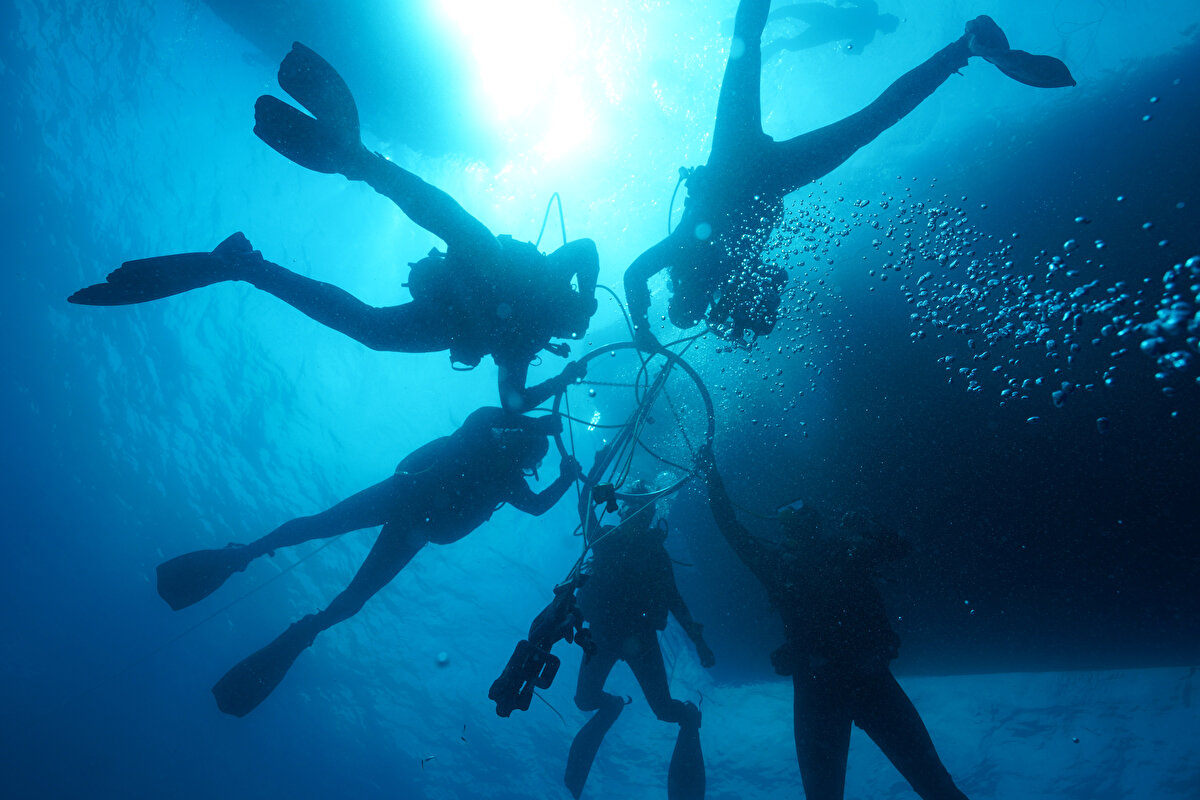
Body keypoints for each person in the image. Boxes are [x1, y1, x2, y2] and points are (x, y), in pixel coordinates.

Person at [68, 43, 599, 412]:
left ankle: (251, 267)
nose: (569, 321)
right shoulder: (553, 280)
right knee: (469, 239)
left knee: (375, 331)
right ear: (575, 308)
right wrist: (587, 294)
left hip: (456, 314)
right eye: (578, 313)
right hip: (479, 269)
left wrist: (563, 379)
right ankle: (360, 161)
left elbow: (514, 402)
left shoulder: (521, 349)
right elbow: (586, 247)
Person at [625, 1, 1075, 349]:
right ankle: (966, 47)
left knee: (843, 108)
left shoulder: (686, 252)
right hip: (760, 171)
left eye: (692, 302)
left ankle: (966, 47)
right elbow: (768, 282)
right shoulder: (720, 272)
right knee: (766, 61)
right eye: (696, 305)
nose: (698, 300)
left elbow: (632, 274)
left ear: (685, 290)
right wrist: (731, 319)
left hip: (738, 164)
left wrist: (642, 327)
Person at [155, 407, 581, 716]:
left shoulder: (502, 470)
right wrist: (553, 455)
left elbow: (538, 504)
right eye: (533, 457)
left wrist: (564, 474)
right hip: (408, 506)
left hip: (408, 513)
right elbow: (487, 421)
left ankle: (286, 602)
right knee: (322, 535)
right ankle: (260, 572)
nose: (528, 462)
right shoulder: (487, 437)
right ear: (523, 446)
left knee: (335, 559)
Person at [697, 445, 971, 799]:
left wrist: (711, 477)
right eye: (788, 515)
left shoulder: (810, 560)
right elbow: (732, 530)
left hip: (828, 686)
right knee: (935, 785)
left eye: (797, 513)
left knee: (934, 786)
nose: (794, 518)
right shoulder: (832, 555)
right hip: (860, 680)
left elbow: (732, 530)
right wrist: (712, 477)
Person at [564, 483, 715, 800]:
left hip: (639, 637)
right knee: (583, 701)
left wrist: (699, 643)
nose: (638, 519)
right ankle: (613, 705)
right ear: (625, 513)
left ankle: (688, 716)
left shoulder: (655, 555)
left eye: (644, 515)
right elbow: (584, 503)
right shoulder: (606, 539)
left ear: (648, 520)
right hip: (604, 634)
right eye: (635, 512)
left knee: (664, 710)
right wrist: (597, 471)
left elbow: (675, 601)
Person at [762, 1, 900, 60]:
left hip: (826, 18)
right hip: (827, 28)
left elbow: (848, 48)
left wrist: (854, 48)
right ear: (884, 29)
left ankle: (764, 20)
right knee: (792, 43)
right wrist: (855, 49)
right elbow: (847, 49)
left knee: (790, 12)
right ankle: (769, 34)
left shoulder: (872, 9)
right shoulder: (868, 35)